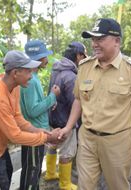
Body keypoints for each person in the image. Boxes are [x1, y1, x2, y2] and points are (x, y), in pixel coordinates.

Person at [58, 18, 131, 190]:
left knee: (118, 186)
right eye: (93, 39)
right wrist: (68, 127)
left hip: (118, 142)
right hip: (87, 139)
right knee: (85, 186)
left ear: (117, 41)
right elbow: (79, 100)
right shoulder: (84, 67)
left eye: (100, 39)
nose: (94, 44)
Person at [0, 50, 61, 190]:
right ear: (15, 73)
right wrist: (46, 138)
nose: (31, 76)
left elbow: (17, 117)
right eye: (28, 72)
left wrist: (38, 131)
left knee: (6, 178)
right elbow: (15, 135)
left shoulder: (14, 87)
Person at [19, 40, 60, 190]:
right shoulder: (31, 80)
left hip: (35, 130)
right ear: (38, 59)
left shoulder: (32, 77)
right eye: (44, 56)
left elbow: (34, 105)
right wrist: (52, 96)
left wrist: (48, 101)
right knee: (32, 171)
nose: (47, 60)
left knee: (33, 170)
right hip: (34, 132)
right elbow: (33, 110)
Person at [45, 42, 87, 190]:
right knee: (67, 152)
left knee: (52, 144)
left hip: (53, 115)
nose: (83, 60)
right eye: (83, 57)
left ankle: (50, 172)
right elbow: (75, 103)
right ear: (78, 56)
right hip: (65, 120)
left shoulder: (55, 69)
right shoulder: (71, 76)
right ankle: (65, 184)